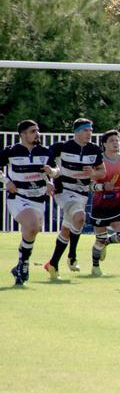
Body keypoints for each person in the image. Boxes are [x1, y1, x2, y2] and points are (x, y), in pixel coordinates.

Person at [44, 118, 105, 278]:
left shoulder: (94, 149)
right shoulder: (61, 147)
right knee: (80, 217)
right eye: (86, 130)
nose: (89, 133)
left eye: (91, 130)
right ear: (77, 131)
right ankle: (72, 256)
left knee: (67, 229)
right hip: (64, 190)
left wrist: (93, 174)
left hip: (82, 193)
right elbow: (46, 166)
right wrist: (49, 180)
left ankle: (53, 264)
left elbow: (102, 172)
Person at [2, 120, 55, 285]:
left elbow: (55, 170)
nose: (37, 134)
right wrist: (5, 181)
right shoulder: (12, 151)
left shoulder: (45, 151)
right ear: (23, 134)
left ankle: (20, 265)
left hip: (38, 199)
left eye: (37, 130)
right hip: (18, 198)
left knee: (32, 231)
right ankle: (24, 264)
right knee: (32, 225)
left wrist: (51, 175)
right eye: (33, 131)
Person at [87, 130, 120, 277]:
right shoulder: (98, 161)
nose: (116, 143)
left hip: (117, 203)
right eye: (112, 140)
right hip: (100, 205)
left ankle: (107, 242)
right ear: (104, 144)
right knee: (99, 239)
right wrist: (102, 187)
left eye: (117, 140)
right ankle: (95, 267)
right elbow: (89, 184)